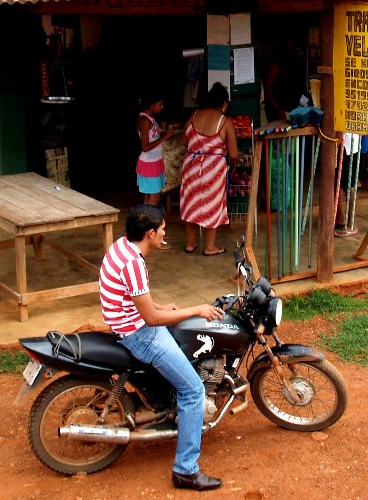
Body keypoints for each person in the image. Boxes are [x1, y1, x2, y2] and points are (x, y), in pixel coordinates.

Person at [99, 204, 224, 492]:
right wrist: (197, 310)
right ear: (150, 233)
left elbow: (132, 297)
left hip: (127, 322)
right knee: (193, 391)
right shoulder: (135, 264)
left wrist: (158, 306)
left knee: (181, 334)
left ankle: (164, 401)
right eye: (163, 229)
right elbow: (152, 320)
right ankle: (185, 470)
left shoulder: (122, 247)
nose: (166, 232)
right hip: (140, 334)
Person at [180, 83, 239, 256]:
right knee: (212, 204)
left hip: (191, 166)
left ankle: (190, 244)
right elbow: (234, 153)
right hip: (214, 170)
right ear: (223, 103)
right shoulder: (225, 121)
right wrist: (234, 163)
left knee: (191, 202)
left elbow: (184, 139)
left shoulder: (194, 115)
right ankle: (210, 246)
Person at [136, 91, 177, 226]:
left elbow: (155, 137)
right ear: (151, 104)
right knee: (153, 199)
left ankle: (143, 228)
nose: (162, 106)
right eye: (160, 104)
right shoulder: (144, 120)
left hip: (154, 162)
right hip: (149, 163)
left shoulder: (150, 118)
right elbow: (145, 147)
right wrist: (165, 137)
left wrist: (167, 133)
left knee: (149, 198)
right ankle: (150, 229)